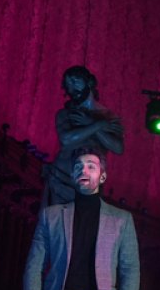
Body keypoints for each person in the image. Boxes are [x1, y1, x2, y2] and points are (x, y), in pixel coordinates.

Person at [23, 147, 140, 290]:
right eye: (78, 166)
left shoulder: (121, 220)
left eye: (90, 165)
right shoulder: (52, 216)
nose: (83, 170)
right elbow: (33, 268)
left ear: (102, 176)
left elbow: (131, 271)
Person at [45, 66, 124, 208]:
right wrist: (98, 125)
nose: (72, 89)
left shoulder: (108, 116)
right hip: (62, 179)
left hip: (88, 183)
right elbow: (66, 139)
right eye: (68, 85)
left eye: (75, 81)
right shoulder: (65, 114)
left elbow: (118, 148)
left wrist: (92, 123)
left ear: (89, 82)